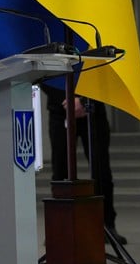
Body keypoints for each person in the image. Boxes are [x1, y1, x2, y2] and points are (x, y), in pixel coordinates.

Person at [42, 83, 127, 245]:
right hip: (60, 111)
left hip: (93, 110)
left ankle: (106, 225)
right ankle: (60, 227)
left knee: (101, 171)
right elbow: (44, 75)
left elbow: (103, 74)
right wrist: (67, 100)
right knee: (60, 172)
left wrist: (83, 100)